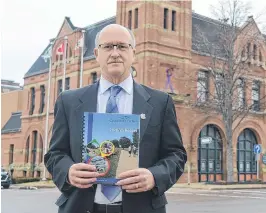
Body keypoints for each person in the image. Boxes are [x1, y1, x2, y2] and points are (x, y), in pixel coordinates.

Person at [44, 24, 187, 213]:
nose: (115, 53)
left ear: (133, 53)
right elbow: (55, 155)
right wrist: (68, 172)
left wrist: (154, 176)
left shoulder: (161, 102)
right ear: (97, 53)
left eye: (122, 46)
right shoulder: (68, 102)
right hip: (81, 207)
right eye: (108, 47)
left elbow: (176, 155)